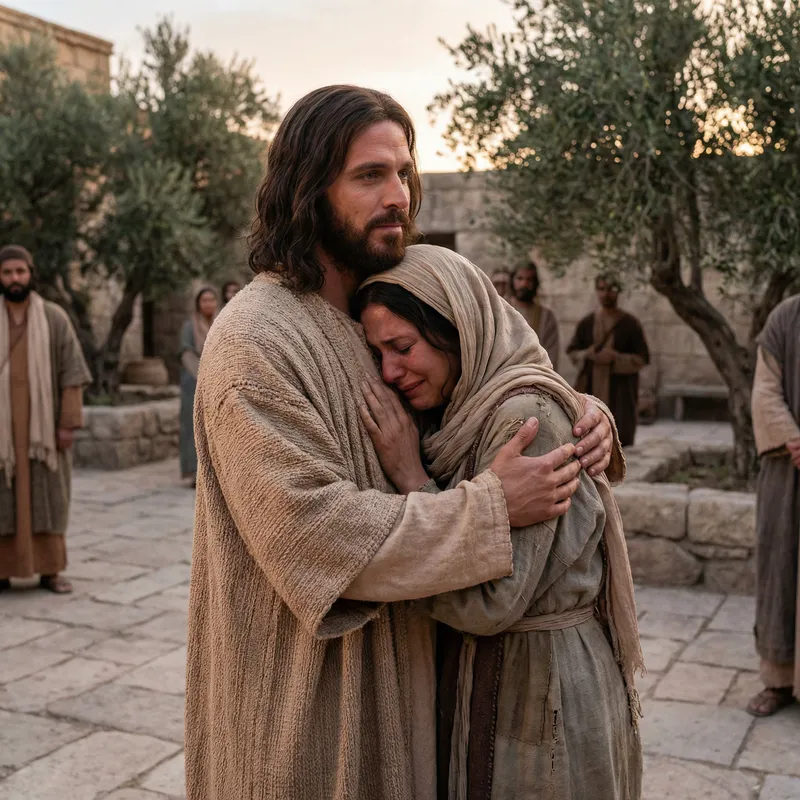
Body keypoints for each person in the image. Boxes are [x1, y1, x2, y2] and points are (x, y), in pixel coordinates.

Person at [185, 85, 621, 800]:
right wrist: (486, 509)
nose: (398, 195)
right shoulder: (254, 341)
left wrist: (582, 411)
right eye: (368, 176)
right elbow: (311, 531)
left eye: (403, 173)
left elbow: (493, 376)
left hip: (414, 696)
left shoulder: (378, 304)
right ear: (306, 189)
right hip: (309, 713)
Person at [355, 244, 642, 800]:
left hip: (546, 690)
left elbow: (491, 602)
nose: (390, 372)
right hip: (500, 682)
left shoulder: (523, 419)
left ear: (458, 329)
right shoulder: (463, 411)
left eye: (403, 347)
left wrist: (413, 479)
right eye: (377, 355)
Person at [0, 245, 91, 594]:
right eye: (8, 273)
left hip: (44, 433)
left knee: (49, 497)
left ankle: (51, 570)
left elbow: (72, 373)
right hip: (4, 433)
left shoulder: (54, 318)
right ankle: (4, 570)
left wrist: (67, 423)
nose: (14, 279)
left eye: (20, 272)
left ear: (30, 273)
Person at [748, 294, 800, 717]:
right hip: (788, 474)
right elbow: (764, 390)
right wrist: (791, 438)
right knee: (780, 571)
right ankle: (779, 681)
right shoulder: (786, 317)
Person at [567, 276, 650, 447]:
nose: (606, 294)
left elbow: (642, 358)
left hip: (621, 392)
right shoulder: (587, 323)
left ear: (618, 292)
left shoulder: (630, 324)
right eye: (602, 289)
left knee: (620, 441)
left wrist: (616, 359)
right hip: (591, 388)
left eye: (611, 289)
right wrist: (588, 355)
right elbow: (573, 352)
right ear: (597, 291)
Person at [179, 287, 218, 487]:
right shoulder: (190, 326)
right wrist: (200, 375)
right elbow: (186, 353)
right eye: (204, 300)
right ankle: (193, 471)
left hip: (216, 380)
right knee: (191, 426)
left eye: (211, 300)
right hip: (193, 381)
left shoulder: (221, 322)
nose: (208, 304)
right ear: (198, 303)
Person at [509, 259, 561, 370]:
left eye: (529, 280)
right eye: (520, 278)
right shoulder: (501, 311)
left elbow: (551, 357)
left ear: (535, 283)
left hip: (535, 377)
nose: (524, 284)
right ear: (512, 281)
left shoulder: (546, 317)